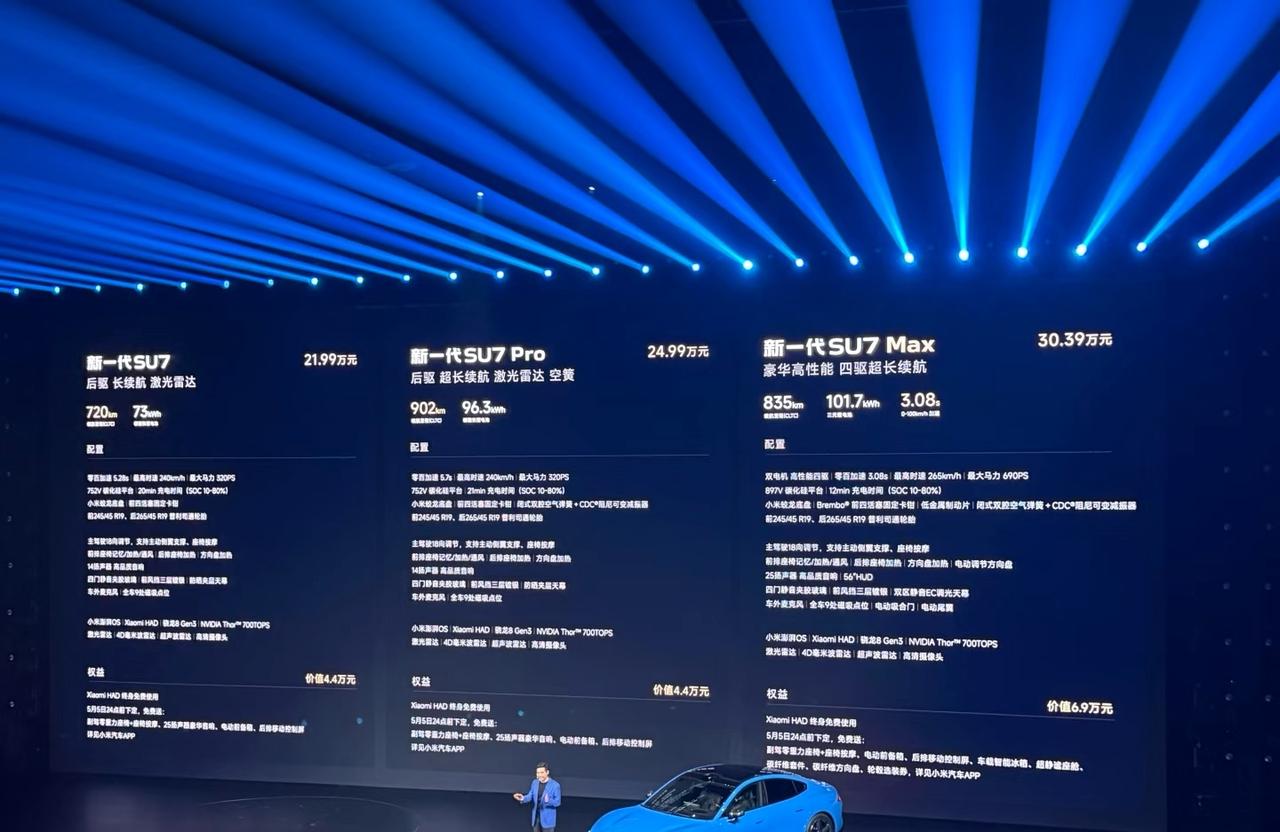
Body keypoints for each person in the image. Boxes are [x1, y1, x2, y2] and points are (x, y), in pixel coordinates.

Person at [513, 762, 561, 832]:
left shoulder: (555, 785)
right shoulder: (534, 783)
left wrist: (548, 801)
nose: (539, 775)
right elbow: (530, 795)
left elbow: (557, 802)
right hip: (536, 818)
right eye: (538, 773)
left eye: (542, 772)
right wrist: (522, 798)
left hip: (548, 819)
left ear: (547, 772)